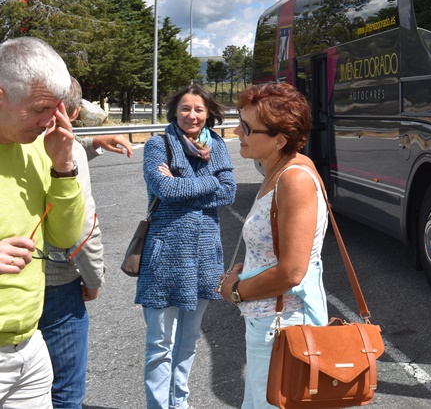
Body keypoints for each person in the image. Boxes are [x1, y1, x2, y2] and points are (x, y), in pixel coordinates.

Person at [217, 82, 328, 409]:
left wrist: (235, 290)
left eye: (247, 127)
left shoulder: (294, 179)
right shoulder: (278, 170)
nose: (237, 131)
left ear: (280, 139)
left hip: (284, 328)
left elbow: (292, 272)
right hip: (270, 323)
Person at [135, 84, 235, 409]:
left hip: (205, 256)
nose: (192, 115)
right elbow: (164, 190)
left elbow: (229, 192)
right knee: (160, 344)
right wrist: (210, 181)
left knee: (188, 341)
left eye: (199, 109)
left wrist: (182, 184)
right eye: (185, 108)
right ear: (175, 111)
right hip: (165, 256)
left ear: (208, 114)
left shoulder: (217, 145)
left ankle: (179, 402)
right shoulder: (158, 145)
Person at [0, 37, 85, 408]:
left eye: (56, 108)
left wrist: (63, 166)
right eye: (40, 108)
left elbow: (64, 238)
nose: (50, 121)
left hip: (30, 344)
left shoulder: (40, 145)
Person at [38, 78, 131, 409]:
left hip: (16, 281)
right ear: (73, 112)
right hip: (57, 284)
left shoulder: (15, 142)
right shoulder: (68, 152)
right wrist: (94, 280)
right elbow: (82, 230)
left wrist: (94, 144)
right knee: (64, 390)